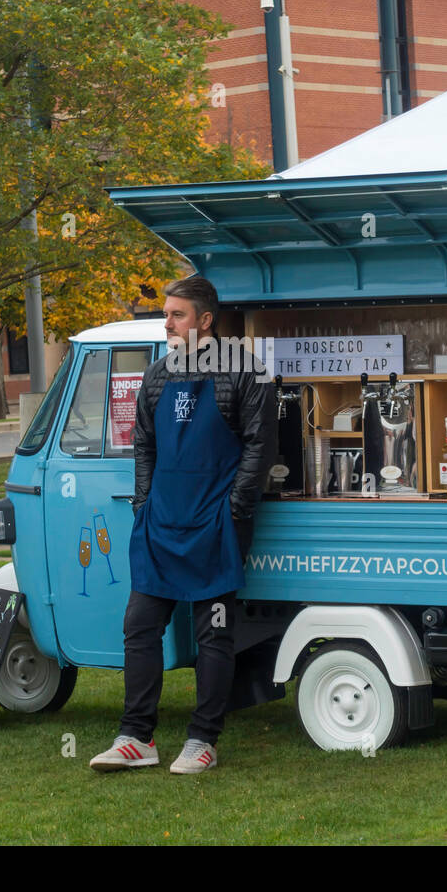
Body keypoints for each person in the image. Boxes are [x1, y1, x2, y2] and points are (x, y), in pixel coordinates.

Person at [90, 275, 275, 775]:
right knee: (139, 626)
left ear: (206, 321)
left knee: (213, 634)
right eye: (166, 314)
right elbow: (144, 446)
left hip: (215, 526)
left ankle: (203, 740)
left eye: (177, 314)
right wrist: (145, 504)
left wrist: (233, 511)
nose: (167, 323)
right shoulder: (156, 376)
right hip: (160, 524)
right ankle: (136, 738)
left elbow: (261, 448)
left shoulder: (246, 373)